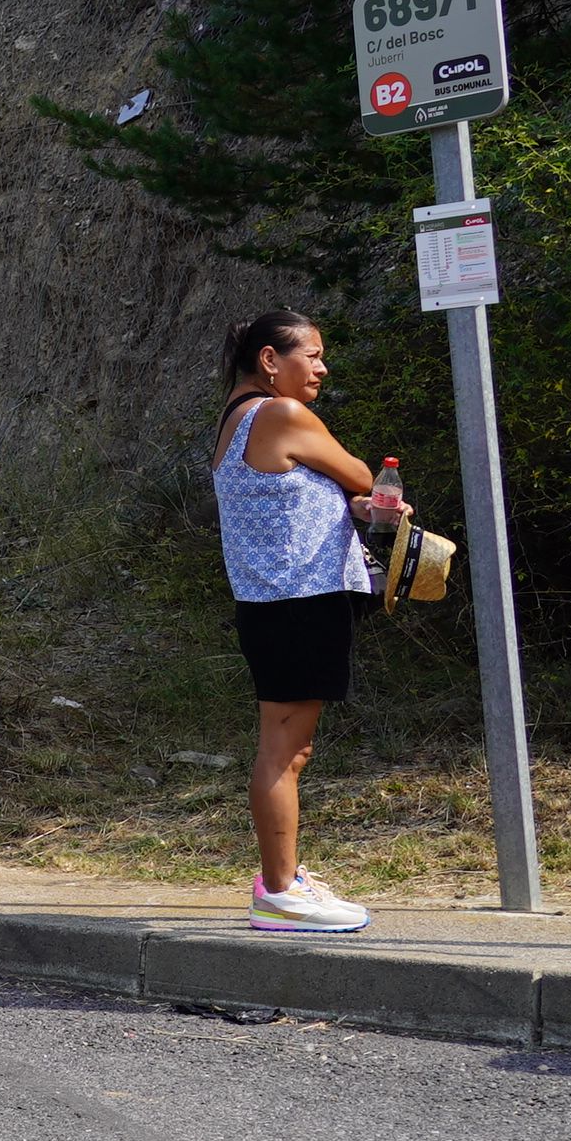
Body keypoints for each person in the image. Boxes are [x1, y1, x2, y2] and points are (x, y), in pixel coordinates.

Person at [213, 310, 406, 935]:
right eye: (313, 356)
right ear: (270, 360)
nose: (322, 369)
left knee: (287, 747)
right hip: (297, 602)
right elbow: (367, 478)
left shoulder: (240, 418)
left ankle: (283, 878)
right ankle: (278, 894)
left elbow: (308, 490)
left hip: (272, 602)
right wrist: (366, 498)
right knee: (286, 751)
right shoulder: (281, 414)